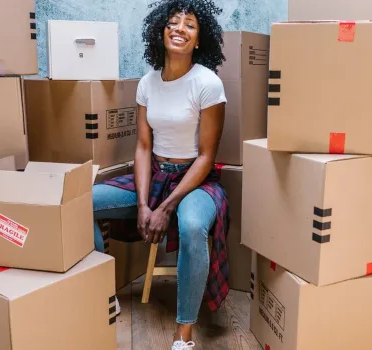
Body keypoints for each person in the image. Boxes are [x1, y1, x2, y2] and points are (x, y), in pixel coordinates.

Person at [91, 0, 230, 349]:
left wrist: (166, 206)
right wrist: (142, 204)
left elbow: (207, 157)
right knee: (82, 202)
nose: (179, 28)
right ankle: (98, 295)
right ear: (161, 31)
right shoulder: (147, 83)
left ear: (200, 39)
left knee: (193, 226)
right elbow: (141, 146)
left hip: (195, 180)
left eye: (190, 25)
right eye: (173, 22)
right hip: (154, 175)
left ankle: (185, 333)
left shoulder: (208, 83)